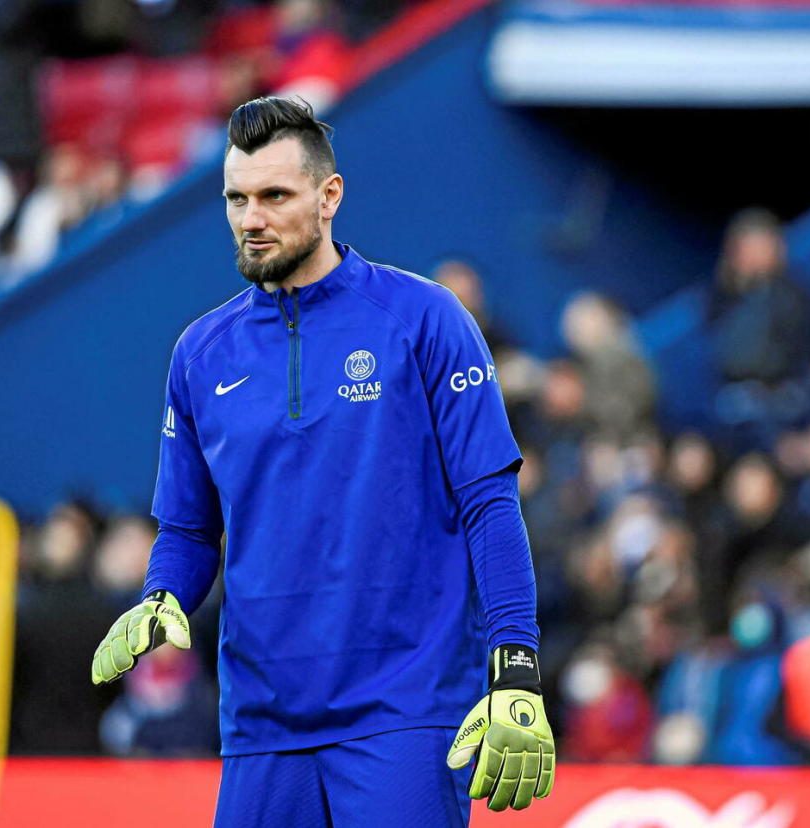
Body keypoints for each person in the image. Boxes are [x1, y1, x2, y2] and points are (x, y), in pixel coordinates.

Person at [90, 97, 554, 826]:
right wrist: (162, 596)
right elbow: (187, 530)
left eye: (275, 195)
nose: (252, 218)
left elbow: (490, 506)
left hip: (405, 710)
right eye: (237, 199)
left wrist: (516, 670)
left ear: (329, 195)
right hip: (261, 725)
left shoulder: (426, 319)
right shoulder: (199, 353)